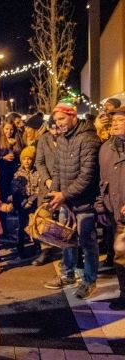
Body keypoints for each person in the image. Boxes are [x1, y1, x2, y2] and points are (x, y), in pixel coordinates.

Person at [45, 101, 101, 299]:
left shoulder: (89, 139)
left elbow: (88, 176)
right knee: (66, 239)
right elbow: (58, 170)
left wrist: (64, 195)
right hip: (65, 201)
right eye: (56, 120)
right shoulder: (61, 139)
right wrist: (54, 194)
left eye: (61, 118)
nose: (58, 123)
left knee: (87, 242)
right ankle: (68, 274)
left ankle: (89, 280)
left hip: (85, 201)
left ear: (73, 116)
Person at [95, 105, 125, 310]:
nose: (114, 123)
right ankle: (124, 293)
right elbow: (102, 180)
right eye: (113, 120)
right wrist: (101, 206)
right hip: (115, 213)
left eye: (120, 120)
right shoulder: (106, 148)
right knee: (120, 255)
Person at [33, 117, 62, 266]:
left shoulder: (66, 138)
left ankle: (67, 251)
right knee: (44, 218)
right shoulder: (44, 139)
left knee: (65, 219)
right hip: (47, 185)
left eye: (57, 128)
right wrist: (46, 179)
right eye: (52, 128)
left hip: (64, 184)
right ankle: (45, 249)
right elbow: (39, 162)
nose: (55, 131)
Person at [11, 146, 40, 259]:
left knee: (35, 225)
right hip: (21, 204)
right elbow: (15, 191)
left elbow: (39, 189)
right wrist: (24, 203)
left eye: (29, 159)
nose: (27, 161)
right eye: (24, 159)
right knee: (22, 226)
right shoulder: (17, 174)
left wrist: (31, 201)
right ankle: (20, 248)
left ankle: (38, 247)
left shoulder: (37, 173)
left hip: (34, 203)